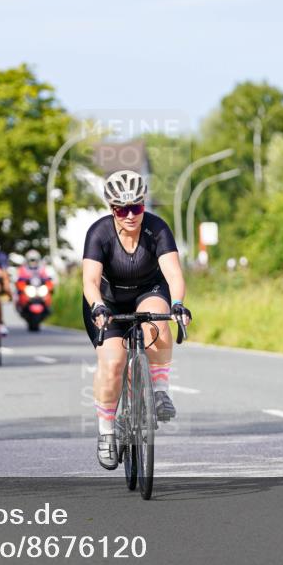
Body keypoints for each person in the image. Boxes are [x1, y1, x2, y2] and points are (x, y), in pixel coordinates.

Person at [82, 169, 192, 470]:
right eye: (122, 209)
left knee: (158, 320)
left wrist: (178, 304)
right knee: (113, 362)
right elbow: (90, 281)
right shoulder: (99, 233)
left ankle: (160, 390)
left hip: (148, 290)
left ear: (144, 204)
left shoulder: (157, 229)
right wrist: (98, 306)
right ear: (112, 209)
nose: (130, 215)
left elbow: (173, 274)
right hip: (107, 301)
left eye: (136, 207)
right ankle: (106, 431)